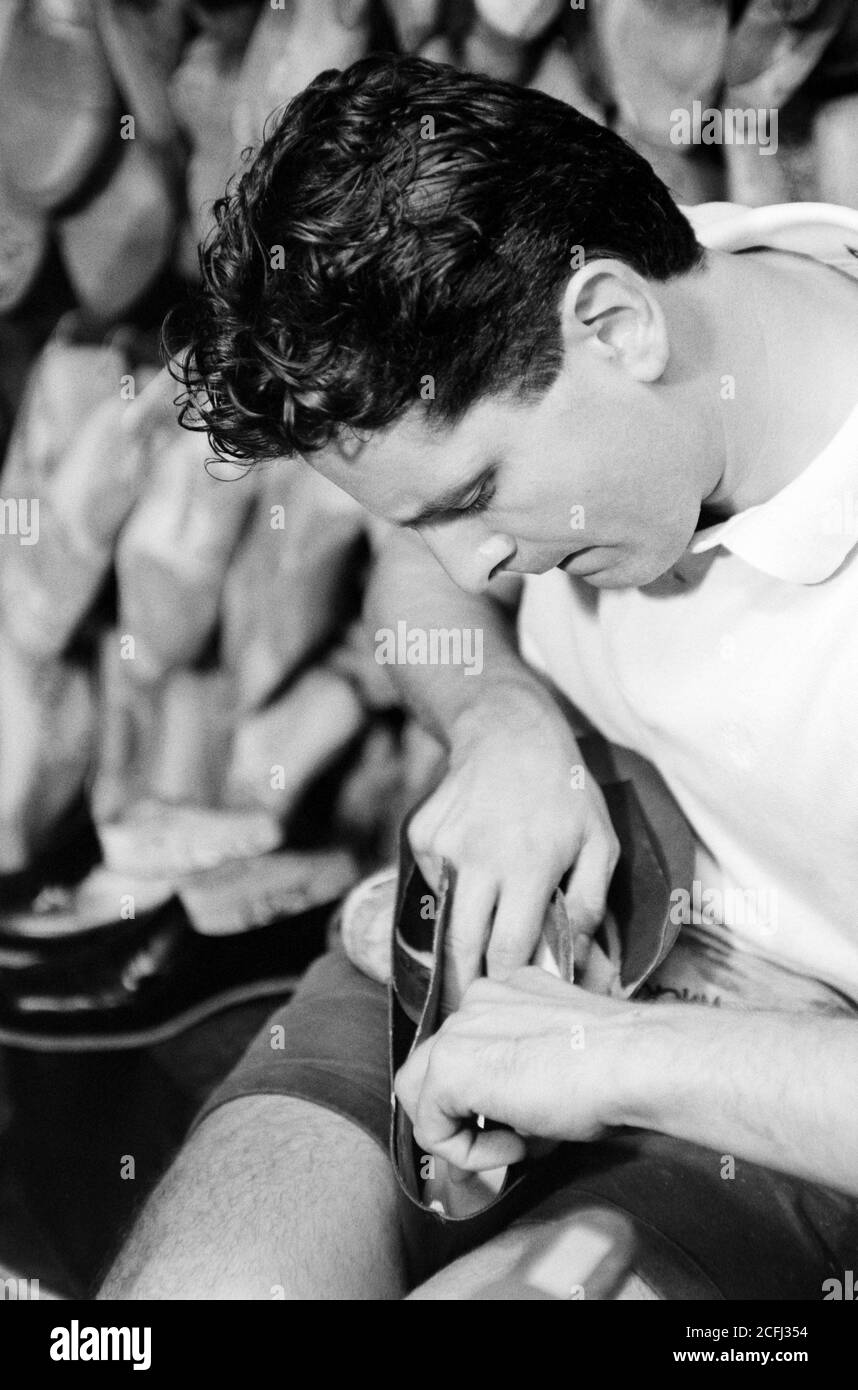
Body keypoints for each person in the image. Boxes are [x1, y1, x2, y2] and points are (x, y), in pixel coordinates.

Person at [102, 55, 858, 1300]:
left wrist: (616, 1054)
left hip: (784, 1077)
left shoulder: (611, 326)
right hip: (526, 909)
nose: (475, 560)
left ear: (618, 327)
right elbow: (427, 579)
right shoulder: (672, 276)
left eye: (476, 497)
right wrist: (503, 724)